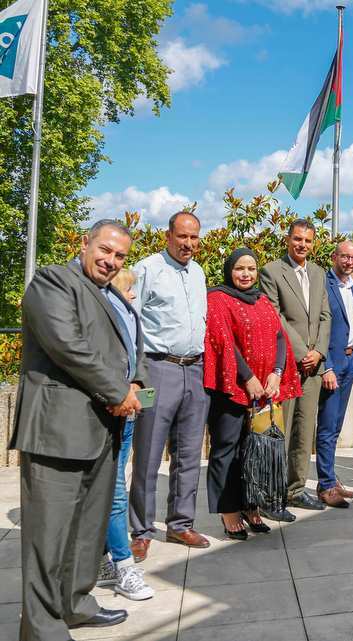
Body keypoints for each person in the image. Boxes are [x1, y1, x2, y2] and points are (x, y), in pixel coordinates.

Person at [11, 220, 145, 639]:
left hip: (101, 428)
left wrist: (135, 381)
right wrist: (119, 391)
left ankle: (76, 604)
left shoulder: (106, 293)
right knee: (47, 538)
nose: (110, 261)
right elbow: (68, 345)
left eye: (119, 256)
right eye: (105, 250)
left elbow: (127, 344)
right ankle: (42, 627)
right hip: (58, 431)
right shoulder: (52, 281)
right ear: (85, 243)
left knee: (87, 531)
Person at [129, 211, 211, 561]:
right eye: (183, 237)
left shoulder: (198, 272)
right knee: (148, 454)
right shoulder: (147, 269)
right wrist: (135, 373)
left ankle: (180, 524)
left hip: (195, 370)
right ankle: (142, 530)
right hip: (157, 369)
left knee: (190, 453)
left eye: (194, 238)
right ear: (168, 235)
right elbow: (130, 319)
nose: (189, 244)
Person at [205, 248, 303, 539]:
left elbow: (280, 337)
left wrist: (275, 372)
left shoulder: (261, 300)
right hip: (233, 389)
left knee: (255, 450)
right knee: (228, 450)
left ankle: (251, 506)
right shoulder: (217, 299)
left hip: (263, 392)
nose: (245, 274)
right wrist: (247, 377)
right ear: (229, 270)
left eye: (250, 268)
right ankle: (229, 510)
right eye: (239, 269)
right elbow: (222, 341)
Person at [260, 219, 333, 519]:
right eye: (297, 239)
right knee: (283, 431)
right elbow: (275, 315)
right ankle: (273, 494)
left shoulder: (318, 273)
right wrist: (303, 352)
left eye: (307, 241)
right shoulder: (271, 271)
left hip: (313, 367)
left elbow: (326, 316)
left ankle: (295, 489)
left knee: (305, 432)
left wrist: (319, 354)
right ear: (288, 240)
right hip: (287, 365)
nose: (302, 245)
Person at [95, 268, 154, 601]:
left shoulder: (130, 317)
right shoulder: (104, 317)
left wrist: (135, 385)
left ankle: (103, 559)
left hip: (128, 408)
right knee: (115, 490)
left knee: (114, 485)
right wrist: (116, 393)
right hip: (109, 410)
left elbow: (137, 357)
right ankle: (123, 564)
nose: (133, 295)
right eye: (129, 290)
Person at [316, 240, 353, 507]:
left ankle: (331, 479)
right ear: (334, 257)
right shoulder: (324, 284)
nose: (349, 262)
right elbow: (317, 329)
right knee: (327, 426)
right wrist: (328, 367)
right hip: (332, 364)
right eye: (344, 256)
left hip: (351, 361)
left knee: (336, 427)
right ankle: (325, 485)